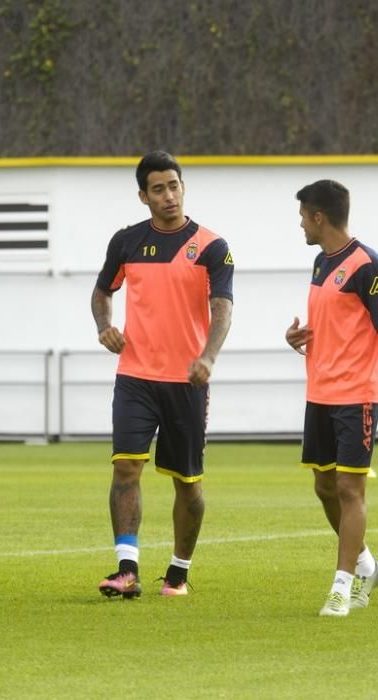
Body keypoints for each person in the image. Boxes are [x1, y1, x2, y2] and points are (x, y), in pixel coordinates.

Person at [91, 150, 234, 598]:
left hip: (186, 382)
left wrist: (208, 357)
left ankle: (178, 572)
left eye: (174, 185)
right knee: (126, 469)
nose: (169, 195)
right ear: (143, 196)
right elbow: (101, 292)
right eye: (158, 189)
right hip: (134, 376)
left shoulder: (212, 247)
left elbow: (222, 309)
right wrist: (104, 327)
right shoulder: (126, 242)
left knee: (187, 484)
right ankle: (126, 569)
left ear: (183, 187)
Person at [285, 179, 378, 617]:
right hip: (319, 393)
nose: (300, 223)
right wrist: (297, 338)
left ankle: (341, 587)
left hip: (358, 394)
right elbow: (336, 324)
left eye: (303, 215)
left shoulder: (368, 266)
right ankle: (367, 565)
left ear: (319, 217)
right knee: (324, 485)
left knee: (348, 487)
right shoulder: (322, 263)